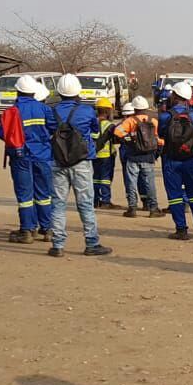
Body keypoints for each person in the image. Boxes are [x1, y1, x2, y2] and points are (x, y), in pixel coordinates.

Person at [48, 74, 112, 257]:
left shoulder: (50, 111)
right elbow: (94, 129)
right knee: (85, 204)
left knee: (58, 203)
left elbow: (48, 131)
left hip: (57, 161)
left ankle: (57, 244)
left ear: (59, 91)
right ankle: (91, 242)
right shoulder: (87, 111)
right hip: (82, 161)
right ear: (78, 91)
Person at [0, 75, 56, 243]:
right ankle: (47, 229)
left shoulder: (11, 111)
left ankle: (27, 231)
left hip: (20, 156)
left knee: (25, 195)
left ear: (18, 91)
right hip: (43, 155)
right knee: (44, 194)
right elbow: (54, 128)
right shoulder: (44, 109)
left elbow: (3, 133)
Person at [159, 82, 193, 240]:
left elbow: (161, 135)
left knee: (174, 195)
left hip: (171, 160)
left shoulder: (165, 117)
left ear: (174, 96)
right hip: (191, 160)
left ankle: (181, 230)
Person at [113, 96, 165, 218]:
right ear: (146, 108)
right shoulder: (154, 120)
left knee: (131, 182)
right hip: (148, 157)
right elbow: (159, 139)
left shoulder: (130, 121)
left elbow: (117, 132)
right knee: (150, 183)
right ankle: (153, 208)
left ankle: (132, 208)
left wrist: (129, 139)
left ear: (135, 108)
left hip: (133, 156)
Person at [91, 98, 120, 209]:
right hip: (106, 156)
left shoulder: (92, 123)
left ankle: (95, 200)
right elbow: (116, 139)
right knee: (105, 178)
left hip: (94, 155)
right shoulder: (110, 126)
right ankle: (106, 201)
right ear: (108, 111)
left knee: (95, 178)